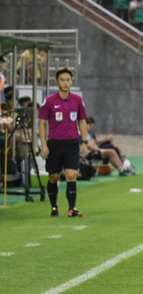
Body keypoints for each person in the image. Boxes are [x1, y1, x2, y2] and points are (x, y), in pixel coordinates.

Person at [38, 68, 88, 218]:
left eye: (68, 80)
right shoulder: (49, 101)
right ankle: (54, 207)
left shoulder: (77, 100)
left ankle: (72, 209)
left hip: (72, 143)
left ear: (71, 82)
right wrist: (43, 144)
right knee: (53, 176)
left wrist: (84, 141)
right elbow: (42, 123)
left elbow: (82, 121)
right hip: (54, 143)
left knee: (71, 174)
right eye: (62, 80)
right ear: (57, 82)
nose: (65, 83)